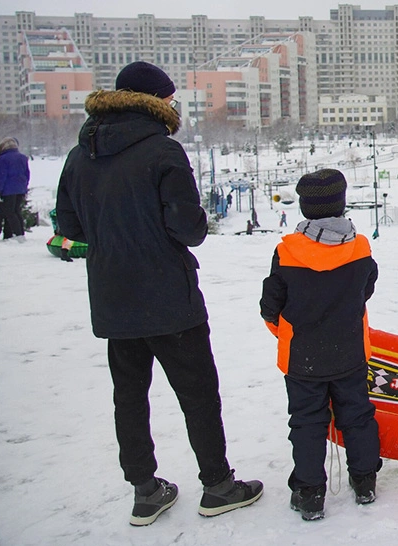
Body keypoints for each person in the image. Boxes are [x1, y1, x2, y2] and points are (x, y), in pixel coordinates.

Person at [55, 61, 262, 527]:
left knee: (129, 397)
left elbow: (70, 228)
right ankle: (218, 485)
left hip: (112, 298)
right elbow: (190, 230)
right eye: (169, 99)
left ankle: (145, 492)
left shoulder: (77, 154)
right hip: (170, 300)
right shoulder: (163, 153)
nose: (173, 105)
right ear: (155, 102)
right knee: (198, 394)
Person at [260, 169, 381, 521]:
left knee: (307, 422)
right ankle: (365, 481)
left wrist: (289, 334)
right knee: (357, 416)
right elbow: (366, 290)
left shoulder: (286, 251)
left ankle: (309, 493)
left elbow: (271, 305)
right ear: (341, 204)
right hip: (350, 353)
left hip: (303, 360)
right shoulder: (360, 247)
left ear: (304, 208)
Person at [0, 138, 29, 239]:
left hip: (8, 190)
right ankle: (21, 233)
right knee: (17, 211)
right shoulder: (22, 157)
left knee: (10, 212)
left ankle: (18, 235)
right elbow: (27, 173)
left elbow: (1, 176)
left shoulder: (3, 159)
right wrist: (24, 186)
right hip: (20, 189)